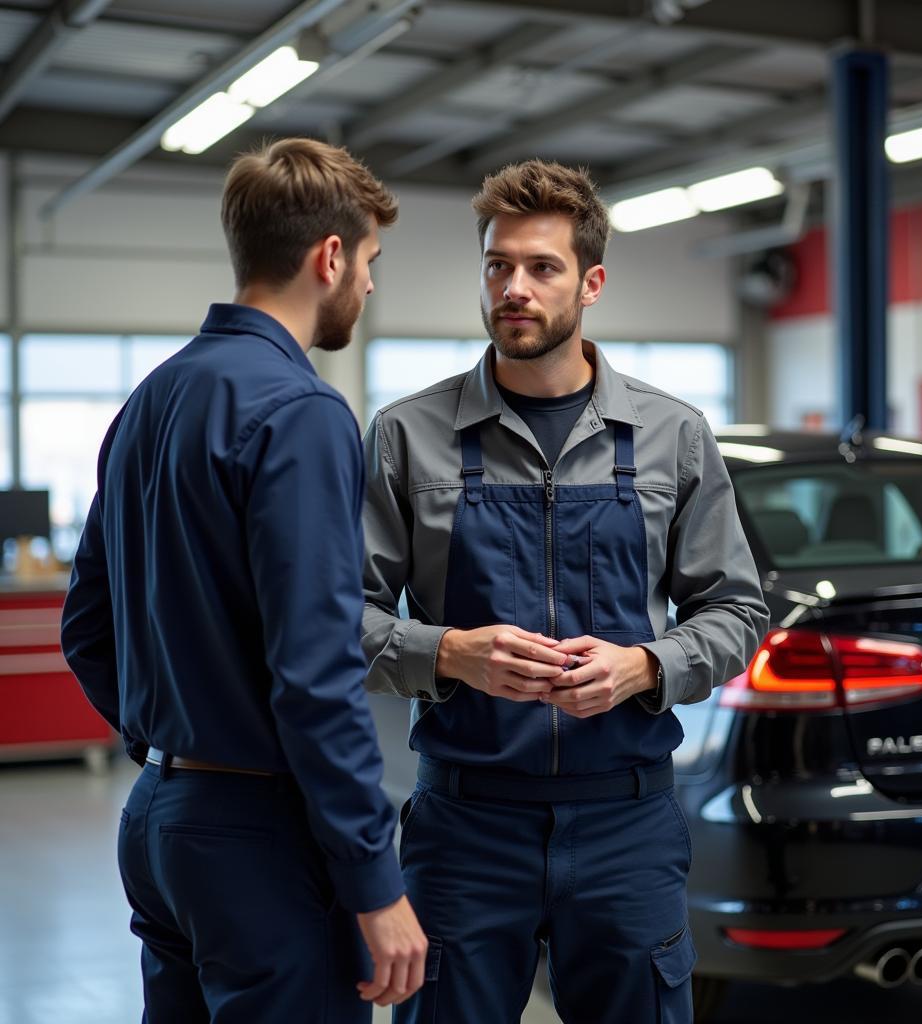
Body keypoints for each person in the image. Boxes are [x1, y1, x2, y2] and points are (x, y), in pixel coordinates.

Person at [361, 159, 770, 1023]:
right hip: (465, 827)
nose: (514, 287)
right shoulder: (406, 435)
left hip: (626, 823)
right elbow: (336, 620)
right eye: (497, 265)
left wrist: (647, 667)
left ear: (591, 284)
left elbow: (737, 610)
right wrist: (448, 653)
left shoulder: (673, 436)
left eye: (541, 268)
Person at [60, 138, 427, 1024]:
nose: (370, 286)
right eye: (370, 262)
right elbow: (316, 675)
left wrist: (181, 737)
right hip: (257, 837)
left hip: (158, 819)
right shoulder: (301, 413)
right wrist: (376, 882)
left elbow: (86, 627)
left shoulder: (151, 399)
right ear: (329, 256)